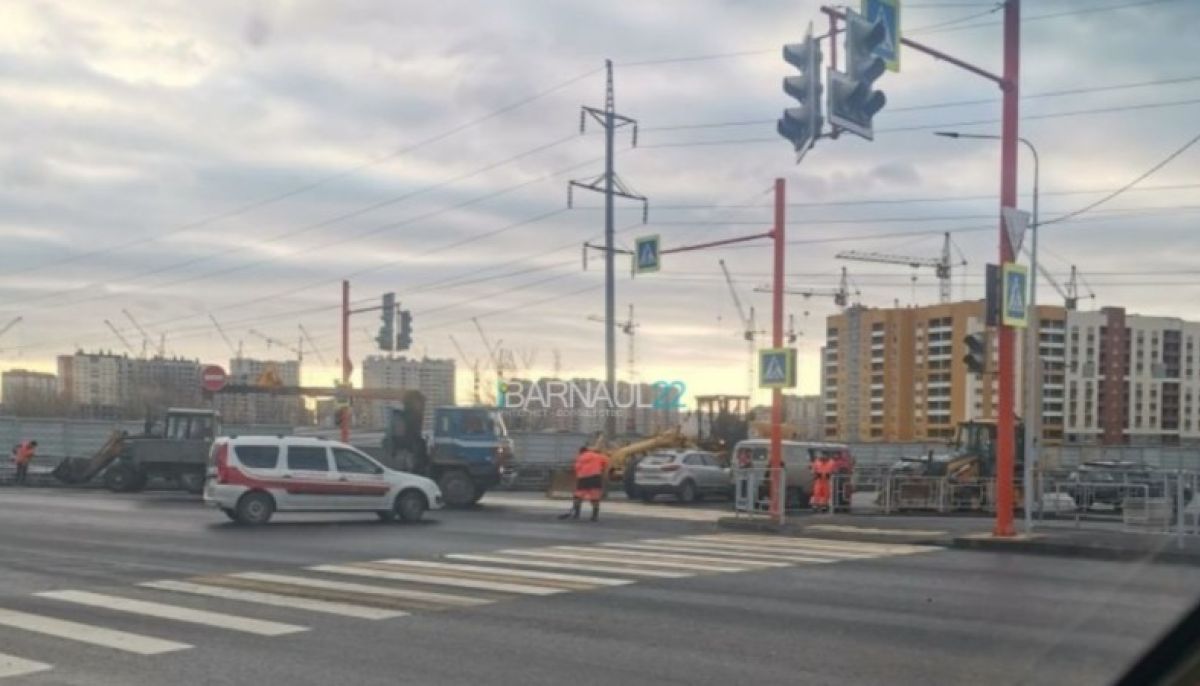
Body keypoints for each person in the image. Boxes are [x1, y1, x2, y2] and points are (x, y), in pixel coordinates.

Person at [558, 446, 610, 522]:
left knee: (578, 496)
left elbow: (577, 468)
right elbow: (606, 462)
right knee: (595, 497)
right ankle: (594, 516)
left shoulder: (580, 457)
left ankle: (576, 514)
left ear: (581, 452)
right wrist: (603, 471)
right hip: (595, 477)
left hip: (583, 478)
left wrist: (579, 477)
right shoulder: (598, 456)